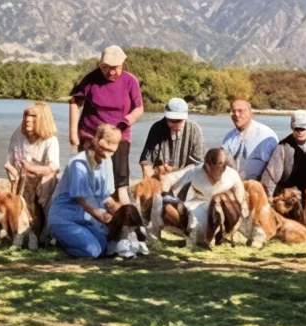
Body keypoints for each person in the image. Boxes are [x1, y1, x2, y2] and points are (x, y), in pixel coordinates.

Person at [68, 45, 144, 202]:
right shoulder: (90, 79)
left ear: (122, 64)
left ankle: (123, 218)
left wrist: (127, 120)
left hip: (119, 136)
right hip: (91, 135)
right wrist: (73, 133)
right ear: (100, 66)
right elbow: (75, 102)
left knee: (120, 183)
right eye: (105, 68)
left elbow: (139, 108)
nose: (111, 73)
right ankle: (88, 214)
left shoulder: (130, 81)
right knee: (87, 178)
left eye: (115, 68)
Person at [49, 124, 123, 259]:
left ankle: (75, 241)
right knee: (92, 251)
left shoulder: (107, 160)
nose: (106, 154)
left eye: (111, 151)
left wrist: (124, 213)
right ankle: (62, 243)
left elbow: (106, 197)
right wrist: (103, 216)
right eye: (103, 149)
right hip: (66, 218)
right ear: (95, 141)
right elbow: (82, 201)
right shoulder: (79, 164)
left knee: (106, 248)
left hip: (87, 219)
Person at [5, 101, 62, 233]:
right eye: (26, 115)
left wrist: (33, 169)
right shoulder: (18, 135)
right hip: (22, 179)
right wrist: (13, 174)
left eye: (33, 116)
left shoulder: (50, 140)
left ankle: (47, 230)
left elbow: (53, 166)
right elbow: (9, 163)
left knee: (48, 178)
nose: (28, 120)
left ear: (43, 119)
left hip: (43, 180)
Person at [139, 98, 206, 178]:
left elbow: (198, 163)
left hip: (185, 177)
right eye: (172, 121)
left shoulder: (194, 129)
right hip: (160, 176)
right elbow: (146, 161)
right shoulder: (156, 128)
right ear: (166, 118)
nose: (176, 124)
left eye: (179, 120)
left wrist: (175, 172)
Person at [262, 110, 306, 194]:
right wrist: (266, 198)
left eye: (303, 129)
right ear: (292, 128)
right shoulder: (282, 147)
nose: (300, 132)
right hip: (288, 194)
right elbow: (271, 176)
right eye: (297, 129)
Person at [222, 99, 279, 183]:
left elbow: (274, 169)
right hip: (232, 185)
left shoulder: (266, 135)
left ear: (251, 114)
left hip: (257, 187)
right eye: (234, 111)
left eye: (241, 111)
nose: (237, 115)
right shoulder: (229, 137)